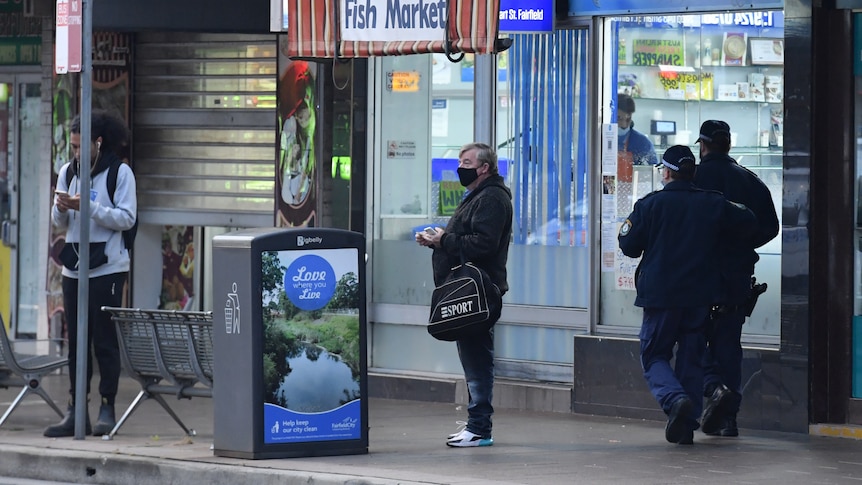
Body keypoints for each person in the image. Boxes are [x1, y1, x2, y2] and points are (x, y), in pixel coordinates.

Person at [618, 145, 756, 445]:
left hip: (661, 297)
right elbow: (748, 220)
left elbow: (628, 244)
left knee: (654, 354)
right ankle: (686, 423)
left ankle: (674, 399)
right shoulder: (713, 203)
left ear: (666, 172)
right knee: (692, 357)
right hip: (700, 296)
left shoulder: (650, 205)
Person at [45, 110, 137, 438]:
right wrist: (61, 207)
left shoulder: (119, 173)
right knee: (76, 342)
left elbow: (127, 218)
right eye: (72, 147)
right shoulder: (68, 172)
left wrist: (90, 207)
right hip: (75, 266)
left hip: (108, 267)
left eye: (80, 146)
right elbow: (59, 223)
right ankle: (75, 409)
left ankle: (107, 406)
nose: (75, 153)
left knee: (104, 341)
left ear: (98, 142)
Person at [415, 142, 513, 448]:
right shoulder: (478, 195)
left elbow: (483, 244)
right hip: (467, 291)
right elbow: (466, 240)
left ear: (484, 168)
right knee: (473, 359)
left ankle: (479, 427)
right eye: (459, 160)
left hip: (478, 292)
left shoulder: (492, 198)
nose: (461, 165)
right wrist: (438, 242)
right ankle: (476, 424)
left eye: (467, 161)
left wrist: (446, 239)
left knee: (477, 360)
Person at [693, 120, 779, 438]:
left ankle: (710, 391)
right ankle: (728, 418)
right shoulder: (750, 181)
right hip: (736, 277)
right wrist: (743, 244)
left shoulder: (693, 178)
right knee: (729, 345)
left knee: (690, 338)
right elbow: (770, 226)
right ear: (728, 145)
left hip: (698, 277)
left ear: (702, 146)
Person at [617, 93, 658, 168]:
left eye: (619, 118)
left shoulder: (642, 143)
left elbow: (653, 170)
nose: (617, 123)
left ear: (629, 116)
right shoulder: (602, 139)